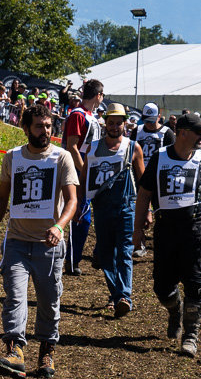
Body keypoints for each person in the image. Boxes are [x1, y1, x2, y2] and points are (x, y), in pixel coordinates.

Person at [0, 104, 78, 379]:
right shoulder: (13, 157)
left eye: (49, 126)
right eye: (39, 126)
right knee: (15, 296)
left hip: (49, 244)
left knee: (49, 301)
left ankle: (47, 351)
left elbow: (72, 200)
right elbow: (2, 198)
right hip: (16, 241)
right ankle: (14, 351)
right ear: (26, 128)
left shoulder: (61, 158)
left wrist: (59, 226)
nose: (45, 131)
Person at [133, 113, 201, 357]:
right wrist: (137, 229)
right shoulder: (159, 158)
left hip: (195, 228)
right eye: (199, 132)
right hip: (165, 229)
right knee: (162, 286)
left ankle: (191, 335)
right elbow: (144, 193)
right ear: (183, 133)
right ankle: (175, 310)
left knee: (195, 284)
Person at [82, 103, 146, 316]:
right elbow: (84, 179)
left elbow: (143, 182)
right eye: (111, 122)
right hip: (101, 208)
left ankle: (124, 296)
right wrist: (78, 206)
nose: (115, 126)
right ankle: (117, 295)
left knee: (125, 252)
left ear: (124, 124)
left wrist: (147, 211)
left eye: (119, 123)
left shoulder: (132, 147)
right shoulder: (92, 148)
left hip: (126, 207)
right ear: (105, 123)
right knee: (107, 254)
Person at [60, 79, 104, 275]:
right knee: (81, 216)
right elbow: (72, 147)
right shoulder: (78, 115)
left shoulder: (90, 116)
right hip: (78, 169)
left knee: (101, 211)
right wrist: (85, 171)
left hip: (91, 167)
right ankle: (71, 259)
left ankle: (98, 253)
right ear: (98, 96)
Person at [130, 102, 173, 257]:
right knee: (139, 211)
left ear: (159, 117)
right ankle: (139, 244)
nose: (148, 124)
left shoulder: (167, 133)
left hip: (160, 178)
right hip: (140, 177)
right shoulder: (137, 131)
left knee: (161, 212)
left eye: (151, 121)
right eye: (146, 120)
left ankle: (164, 244)